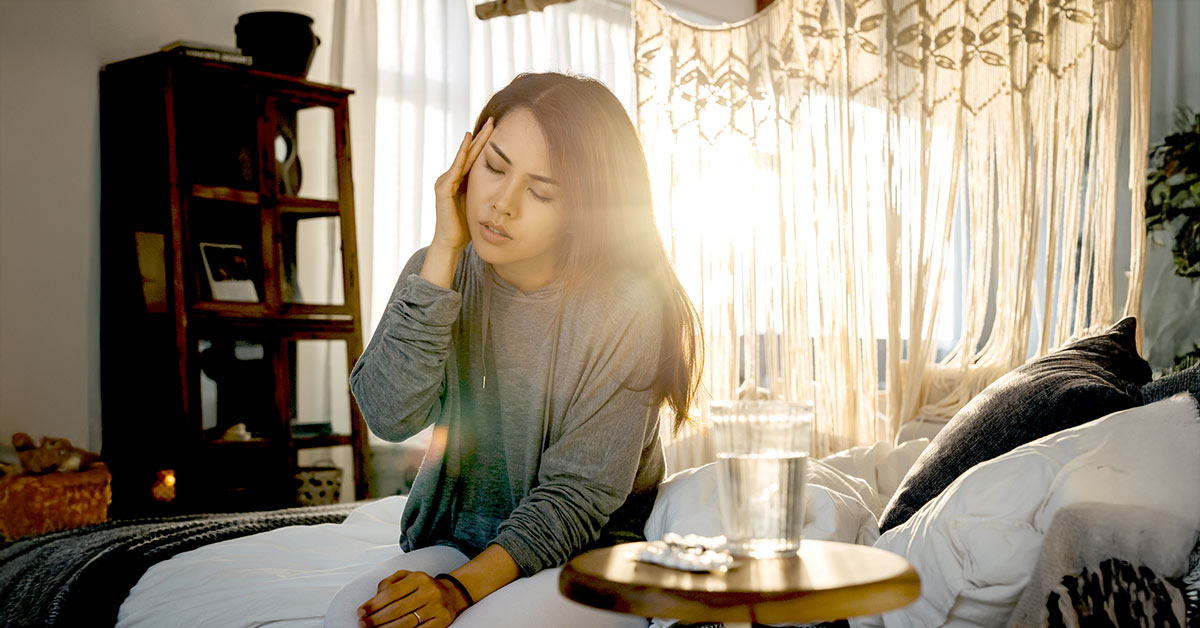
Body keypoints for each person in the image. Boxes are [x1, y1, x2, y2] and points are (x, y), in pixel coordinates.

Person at [328, 72, 702, 628]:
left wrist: (456, 592)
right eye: (494, 167)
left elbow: (575, 497)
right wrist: (443, 252)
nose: (501, 204)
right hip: (459, 542)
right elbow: (388, 413)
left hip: (587, 557)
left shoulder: (629, 308)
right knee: (350, 621)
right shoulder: (438, 271)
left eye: (540, 190)